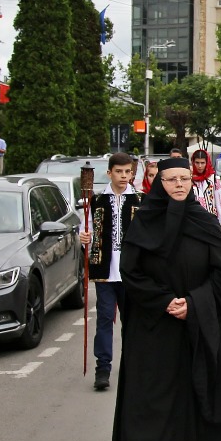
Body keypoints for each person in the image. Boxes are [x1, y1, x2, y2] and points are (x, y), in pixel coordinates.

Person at [112, 157, 221, 441]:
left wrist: (193, 304)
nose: (179, 185)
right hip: (152, 323)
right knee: (152, 393)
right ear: (158, 184)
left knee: (194, 388)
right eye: (171, 180)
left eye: (184, 178)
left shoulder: (206, 223)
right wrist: (164, 301)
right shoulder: (144, 222)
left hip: (195, 323)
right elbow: (131, 272)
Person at [80, 152, 142, 391]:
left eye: (128, 172)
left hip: (131, 272)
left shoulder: (139, 200)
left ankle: (131, 365)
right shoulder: (96, 201)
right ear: (110, 173)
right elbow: (84, 229)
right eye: (119, 171)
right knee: (105, 319)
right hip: (104, 270)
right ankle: (103, 367)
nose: (124, 176)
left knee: (133, 321)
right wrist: (83, 237)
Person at [190, 148, 221, 237]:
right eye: (197, 163)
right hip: (193, 221)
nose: (200, 166)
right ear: (193, 162)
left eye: (202, 163)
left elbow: (220, 201)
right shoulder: (188, 178)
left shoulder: (213, 179)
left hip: (211, 220)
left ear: (207, 162)